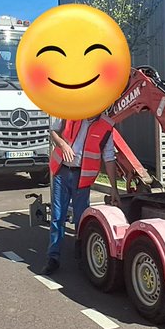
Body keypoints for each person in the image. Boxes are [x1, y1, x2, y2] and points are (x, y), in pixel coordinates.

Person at [45, 114, 122, 275]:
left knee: (81, 219)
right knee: (58, 215)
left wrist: (114, 188)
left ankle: (81, 257)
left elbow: (109, 158)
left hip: (82, 176)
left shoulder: (106, 126)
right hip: (62, 171)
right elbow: (53, 131)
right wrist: (62, 145)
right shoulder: (72, 112)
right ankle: (53, 257)